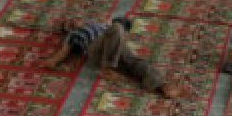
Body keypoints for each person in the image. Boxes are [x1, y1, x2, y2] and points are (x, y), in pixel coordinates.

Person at [44, 18, 187, 98]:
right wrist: (51, 62)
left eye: (74, 19)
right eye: (69, 24)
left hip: (114, 48)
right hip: (95, 50)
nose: (74, 22)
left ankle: (162, 86)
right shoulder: (73, 35)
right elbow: (62, 53)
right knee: (117, 27)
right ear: (68, 29)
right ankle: (107, 67)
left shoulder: (97, 24)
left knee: (137, 63)